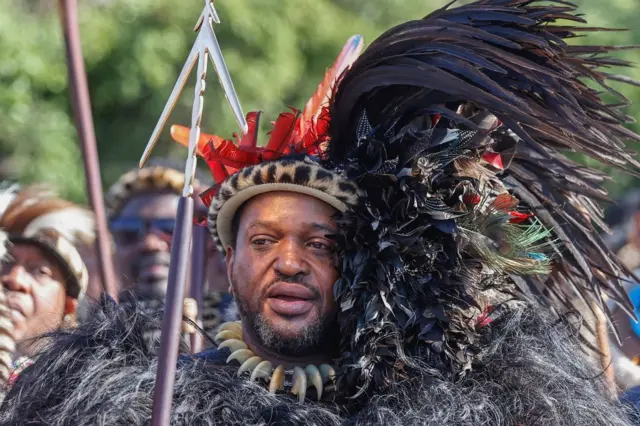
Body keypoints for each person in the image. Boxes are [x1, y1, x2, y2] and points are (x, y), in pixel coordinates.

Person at [1, 1, 639, 424]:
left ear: (360, 260)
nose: (289, 262)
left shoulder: (441, 404)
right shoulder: (150, 400)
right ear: (229, 258)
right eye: (264, 240)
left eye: (320, 243)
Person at [105, 160, 234, 343]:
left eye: (171, 229)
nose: (150, 243)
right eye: (129, 231)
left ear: (208, 245)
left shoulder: (242, 340)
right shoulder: (87, 343)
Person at [0, 184, 89, 384]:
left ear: (68, 309)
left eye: (39, 271)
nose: (14, 279)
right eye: (4, 262)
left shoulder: (77, 393)